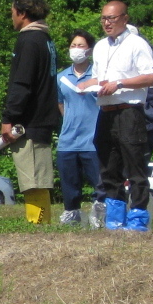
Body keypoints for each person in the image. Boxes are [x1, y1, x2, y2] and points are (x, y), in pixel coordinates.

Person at [91, 0, 153, 231]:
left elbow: (150, 77)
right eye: (103, 18)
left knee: (135, 164)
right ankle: (114, 216)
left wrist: (119, 83)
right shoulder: (99, 46)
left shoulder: (137, 44)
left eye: (112, 18)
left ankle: (138, 218)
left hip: (129, 111)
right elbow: (98, 77)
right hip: (105, 110)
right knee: (109, 166)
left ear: (125, 18)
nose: (107, 23)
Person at [0, 0, 58, 224]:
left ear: (22, 12)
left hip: (29, 122)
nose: (11, 16)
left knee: (32, 179)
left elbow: (22, 84)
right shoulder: (46, 39)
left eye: (13, 11)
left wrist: (8, 117)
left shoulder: (29, 40)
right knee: (39, 178)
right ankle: (41, 224)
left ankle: (38, 225)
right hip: (44, 119)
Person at [55, 29, 101, 225]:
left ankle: (100, 215)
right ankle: (72, 215)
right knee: (70, 184)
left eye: (80, 46)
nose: (76, 49)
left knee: (100, 183)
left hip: (93, 140)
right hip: (68, 140)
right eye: (73, 45)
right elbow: (60, 102)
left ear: (89, 50)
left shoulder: (98, 75)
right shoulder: (61, 77)